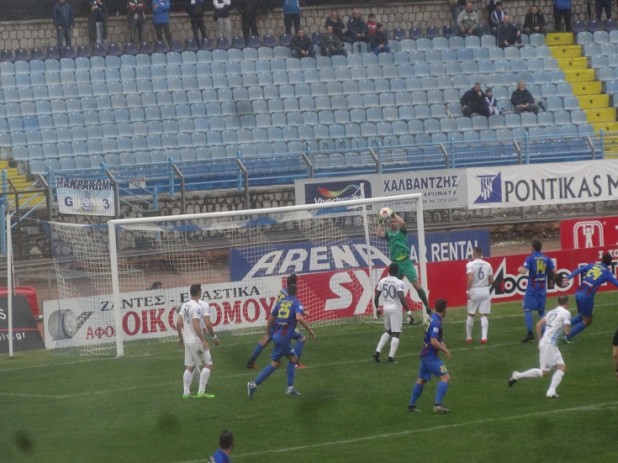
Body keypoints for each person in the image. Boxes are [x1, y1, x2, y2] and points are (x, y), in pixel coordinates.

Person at [247, 284, 316, 398]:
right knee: (275, 364)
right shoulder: (296, 303)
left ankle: (290, 388)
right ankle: (253, 385)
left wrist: (267, 332)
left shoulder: (281, 302)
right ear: (296, 292)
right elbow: (298, 317)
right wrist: (310, 330)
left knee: (293, 359)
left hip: (278, 335)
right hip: (283, 339)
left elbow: (271, 318)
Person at [508, 295, 571, 398]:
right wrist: (566, 331)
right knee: (544, 373)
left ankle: (551, 391)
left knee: (562, 368)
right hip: (549, 345)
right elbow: (567, 331)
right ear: (567, 303)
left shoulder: (551, 312)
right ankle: (518, 375)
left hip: (549, 344)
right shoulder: (566, 313)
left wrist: (540, 340)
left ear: (558, 302)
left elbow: (538, 325)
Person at [376, 209, 431, 320]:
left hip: (406, 262)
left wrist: (393, 214)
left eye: (394, 221)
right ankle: (408, 314)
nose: (393, 223)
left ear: (397, 222)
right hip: (395, 264)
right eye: (391, 222)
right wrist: (380, 221)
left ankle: (427, 307)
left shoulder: (402, 231)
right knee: (396, 290)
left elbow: (403, 223)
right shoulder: (388, 234)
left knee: (417, 285)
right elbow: (378, 234)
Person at [246, 274, 308, 369]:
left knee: (265, 340)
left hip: (275, 321)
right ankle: (295, 364)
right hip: (282, 324)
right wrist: (303, 312)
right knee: (301, 338)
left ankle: (251, 362)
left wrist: (302, 310)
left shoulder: (282, 291)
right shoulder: (290, 294)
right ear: (295, 284)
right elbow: (290, 309)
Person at [408, 299, 452, 414]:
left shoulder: (431, 317)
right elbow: (433, 341)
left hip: (425, 353)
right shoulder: (436, 322)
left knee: (421, 380)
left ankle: (411, 406)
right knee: (446, 378)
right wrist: (445, 350)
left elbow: (430, 336)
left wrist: (441, 342)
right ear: (444, 309)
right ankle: (438, 405)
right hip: (430, 356)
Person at [563, 253, 618, 343]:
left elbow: (580, 270)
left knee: (582, 315)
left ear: (601, 259)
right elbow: (616, 283)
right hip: (586, 297)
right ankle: (567, 336)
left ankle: (565, 327)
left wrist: (568, 278)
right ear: (609, 263)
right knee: (587, 320)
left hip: (578, 293)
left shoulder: (593, 265)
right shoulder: (607, 273)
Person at [176, 284, 216, 399]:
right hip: (196, 340)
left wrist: (180, 337)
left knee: (190, 366)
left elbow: (178, 323)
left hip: (187, 340)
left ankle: (186, 393)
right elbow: (196, 325)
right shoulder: (197, 307)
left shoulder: (185, 305)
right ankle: (201, 392)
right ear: (199, 292)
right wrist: (203, 340)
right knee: (208, 364)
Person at [517, 239, 557, 342]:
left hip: (532, 288)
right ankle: (544, 333)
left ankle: (530, 333)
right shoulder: (546, 258)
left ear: (533, 247)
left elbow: (524, 271)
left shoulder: (530, 258)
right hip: (542, 287)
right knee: (541, 311)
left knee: (527, 309)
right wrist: (552, 281)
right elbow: (555, 272)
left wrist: (519, 269)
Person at [373, 263, 409, 364]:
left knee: (388, 330)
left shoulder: (382, 280)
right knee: (396, 333)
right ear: (397, 272)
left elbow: (376, 296)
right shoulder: (399, 282)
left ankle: (377, 352)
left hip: (386, 308)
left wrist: (377, 308)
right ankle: (391, 357)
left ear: (388, 270)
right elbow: (401, 297)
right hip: (395, 308)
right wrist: (408, 311)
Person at [466, 247, 494, 344]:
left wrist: (468, 290)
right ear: (481, 254)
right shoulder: (488, 264)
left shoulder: (470, 264)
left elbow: (470, 278)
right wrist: (485, 285)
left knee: (471, 314)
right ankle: (484, 337)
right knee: (483, 314)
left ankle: (469, 338)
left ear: (473, 254)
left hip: (474, 290)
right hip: (485, 290)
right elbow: (491, 280)